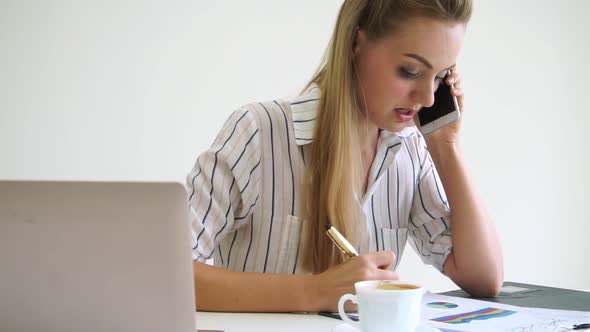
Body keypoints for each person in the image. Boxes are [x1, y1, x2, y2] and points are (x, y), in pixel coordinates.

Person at [187, 0, 503, 312]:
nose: (427, 97)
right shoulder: (259, 132)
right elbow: (168, 271)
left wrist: (446, 145)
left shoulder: (411, 151)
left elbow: (484, 277)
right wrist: (315, 292)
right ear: (356, 43)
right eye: (409, 71)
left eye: (440, 76)